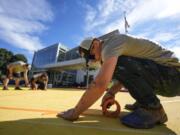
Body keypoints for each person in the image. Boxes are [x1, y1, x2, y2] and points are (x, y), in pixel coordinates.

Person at [57, 34, 180, 129]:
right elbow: (130, 74)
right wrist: (110, 93)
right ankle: (144, 102)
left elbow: (100, 84)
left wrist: (75, 112)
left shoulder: (109, 46)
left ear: (95, 44)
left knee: (118, 64)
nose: (92, 61)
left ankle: (153, 109)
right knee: (119, 65)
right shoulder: (115, 47)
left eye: (90, 56)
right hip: (169, 77)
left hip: (172, 76)